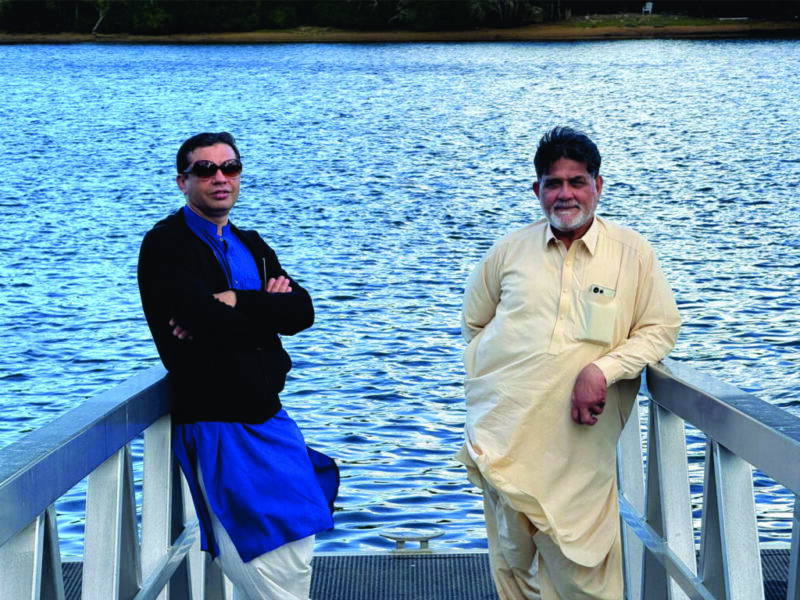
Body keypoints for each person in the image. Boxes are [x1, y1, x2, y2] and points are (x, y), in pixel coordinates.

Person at [458, 126, 681, 600]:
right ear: (536, 189)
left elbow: (659, 329)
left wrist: (601, 370)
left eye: (577, 182)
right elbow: (474, 325)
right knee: (513, 574)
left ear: (597, 185)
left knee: (586, 580)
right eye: (553, 183)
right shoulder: (509, 252)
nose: (565, 194)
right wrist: (496, 392)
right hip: (503, 445)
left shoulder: (631, 254)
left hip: (579, 455)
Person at [138, 132, 337, 600]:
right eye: (205, 169)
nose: (220, 178)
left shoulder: (251, 243)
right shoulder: (166, 245)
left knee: (298, 538)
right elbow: (204, 318)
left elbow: (302, 312)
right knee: (258, 555)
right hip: (217, 425)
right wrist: (262, 313)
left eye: (230, 167)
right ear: (182, 181)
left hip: (271, 418)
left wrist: (235, 301)